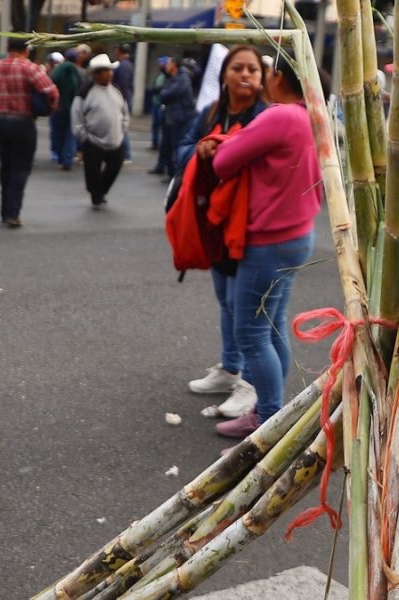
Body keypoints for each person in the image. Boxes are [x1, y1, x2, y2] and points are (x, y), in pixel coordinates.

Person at [211, 58, 323, 439]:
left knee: (252, 333)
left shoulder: (281, 116)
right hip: (296, 235)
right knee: (272, 327)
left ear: (279, 78)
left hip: (270, 240)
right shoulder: (311, 115)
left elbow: (223, 162)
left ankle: (268, 419)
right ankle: (270, 411)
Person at [176, 45, 268, 419]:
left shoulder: (265, 116)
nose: (245, 74)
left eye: (253, 70)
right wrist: (201, 150)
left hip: (249, 223)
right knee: (226, 301)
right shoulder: (211, 113)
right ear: (224, 74)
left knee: (248, 310)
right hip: (212, 218)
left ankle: (252, 385)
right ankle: (230, 369)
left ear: (262, 79)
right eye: (237, 68)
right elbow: (179, 151)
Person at [0, 37, 59, 227]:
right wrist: (46, 109)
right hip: (23, 122)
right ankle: (13, 213)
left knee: (6, 166)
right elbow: (51, 92)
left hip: (0, 122)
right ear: (26, 50)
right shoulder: (30, 68)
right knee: (21, 168)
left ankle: (4, 211)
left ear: (8, 48)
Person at [70, 54, 129, 210]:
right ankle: (96, 196)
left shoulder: (117, 90)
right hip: (93, 140)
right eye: (104, 70)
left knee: (114, 167)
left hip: (116, 139)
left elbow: (125, 112)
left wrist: (123, 129)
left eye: (110, 70)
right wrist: (83, 137)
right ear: (95, 74)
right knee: (92, 172)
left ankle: (101, 191)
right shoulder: (85, 92)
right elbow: (77, 116)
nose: (109, 73)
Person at [159, 57, 197, 182]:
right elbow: (163, 93)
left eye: (168, 63)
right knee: (167, 146)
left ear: (174, 64)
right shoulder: (172, 77)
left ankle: (178, 175)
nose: (165, 66)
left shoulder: (183, 78)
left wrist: (164, 93)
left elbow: (168, 93)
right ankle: (171, 173)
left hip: (181, 118)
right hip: (171, 117)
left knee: (177, 146)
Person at [50, 48, 80, 171]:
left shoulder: (57, 70)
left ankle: (60, 157)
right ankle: (67, 159)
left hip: (58, 107)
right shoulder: (76, 71)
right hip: (72, 107)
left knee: (58, 133)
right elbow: (77, 88)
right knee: (70, 134)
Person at [112, 43, 134, 162]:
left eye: (116, 48)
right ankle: (124, 153)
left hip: (122, 99)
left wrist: (120, 100)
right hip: (125, 98)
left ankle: (126, 154)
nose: (115, 51)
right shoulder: (126, 64)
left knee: (121, 127)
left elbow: (122, 85)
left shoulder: (124, 66)